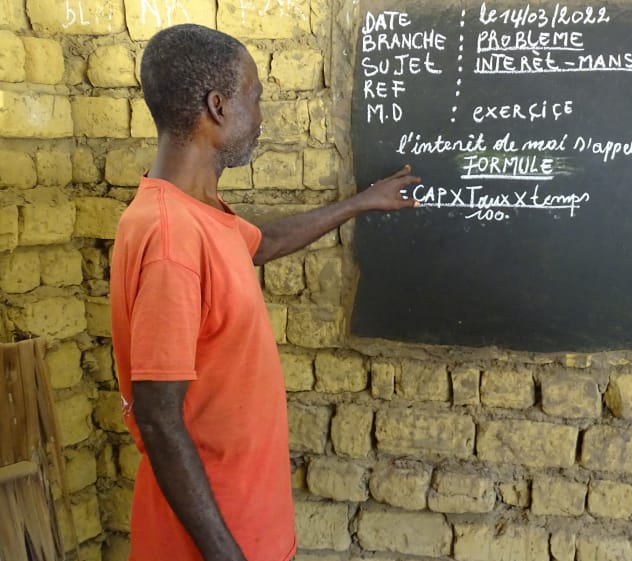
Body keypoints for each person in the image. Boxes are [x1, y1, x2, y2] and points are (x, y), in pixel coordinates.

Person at [109, 23, 419, 561]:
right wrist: (226, 553)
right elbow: (159, 417)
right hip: (209, 540)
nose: (262, 115)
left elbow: (262, 242)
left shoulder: (198, 216)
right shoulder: (171, 239)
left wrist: (360, 203)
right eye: (256, 97)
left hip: (242, 520)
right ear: (218, 107)